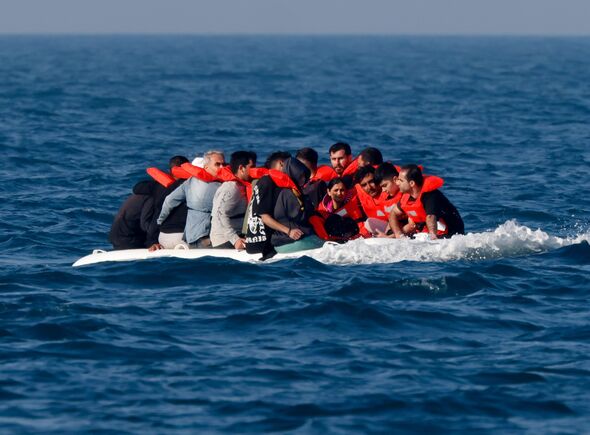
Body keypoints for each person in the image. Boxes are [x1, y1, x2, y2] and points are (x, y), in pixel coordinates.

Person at [245, 157, 318, 258]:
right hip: (263, 245)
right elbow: (264, 217)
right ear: (281, 164)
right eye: (300, 177)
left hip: (261, 239)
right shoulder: (268, 183)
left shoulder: (271, 183)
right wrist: (288, 231)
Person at [157, 150, 225, 248]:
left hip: (190, 236)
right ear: (206, 167)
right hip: (206, 238)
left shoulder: (190, 181)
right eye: (218, 164)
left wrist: (160, 220)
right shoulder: (221, 186)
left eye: (224, 164)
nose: (222, 168)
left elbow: (169, 201)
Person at [388, 164, 464, 239]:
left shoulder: (429, 195)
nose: (397, 183)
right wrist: (398, 234)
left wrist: (432, 237)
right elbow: (393, 213)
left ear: (412, 183)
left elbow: (430, 217)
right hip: (427, 233)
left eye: (401, 180)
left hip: (451, 234)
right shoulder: (407, 196)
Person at [132, 156, 190, 251]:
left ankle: (151, 243)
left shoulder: (158, 185)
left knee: (157, 208)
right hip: (184, 236)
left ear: (170, 170)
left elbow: (136, 188)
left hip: (162, 236)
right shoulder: (194, 184)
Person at [210, 151, 257, 250]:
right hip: (225, 241)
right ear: (241, 168)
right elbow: (219, 214)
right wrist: (235, 240)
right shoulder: (231, 188)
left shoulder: (241, 185)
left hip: (236, 236)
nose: (255, 171)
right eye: (251, 167)